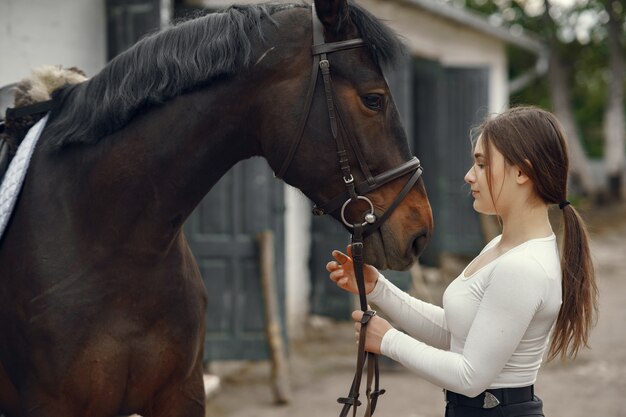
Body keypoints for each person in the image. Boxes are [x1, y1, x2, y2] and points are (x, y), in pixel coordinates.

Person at [327, 106, 598, 417]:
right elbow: (455, 332)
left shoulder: (522, 267)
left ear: (523, 172)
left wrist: (388, 341)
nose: (470, 176)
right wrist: (378, 289)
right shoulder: (503, 247)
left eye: (482, 165)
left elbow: (470, 377)